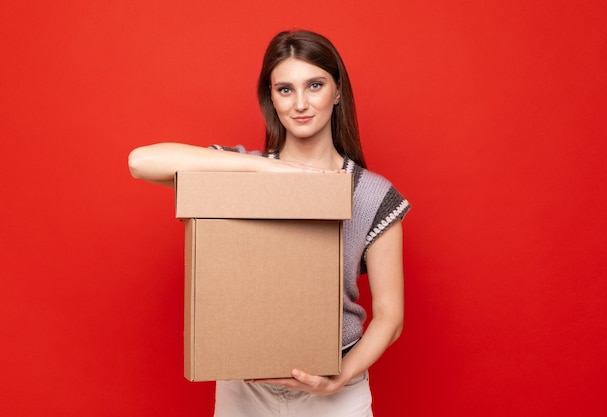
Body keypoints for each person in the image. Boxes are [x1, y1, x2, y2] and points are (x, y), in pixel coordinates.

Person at [128, 29, 410, 417]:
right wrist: (265, 167)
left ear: (338, 91)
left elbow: (391, 316)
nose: (301, 103)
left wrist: (339, 379)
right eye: (285, 90)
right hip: (246, 387)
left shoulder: (372, 194)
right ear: (271, 98)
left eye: (314, 85)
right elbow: (140, 162)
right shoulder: (242, 172)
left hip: (335, 390)